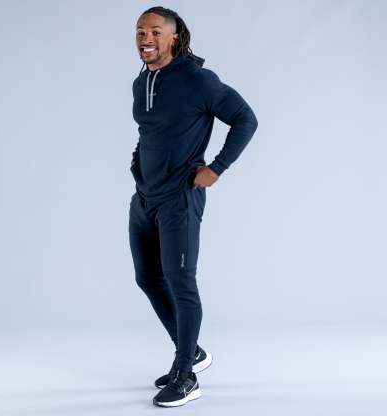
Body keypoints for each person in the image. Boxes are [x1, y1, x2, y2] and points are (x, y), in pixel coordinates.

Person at [128, 6, 258, 407]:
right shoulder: (141, 81)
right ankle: (192, 351)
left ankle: (186, 375)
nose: (146, 39)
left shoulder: (198, 80)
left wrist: (216, 168)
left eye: (155, 32)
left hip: (179, 199)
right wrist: (137, 161)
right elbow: (150, 131)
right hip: (144, 198)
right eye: (140, 31)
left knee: (180, 281)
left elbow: (245, 119)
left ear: (174, 37)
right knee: (148, 278)